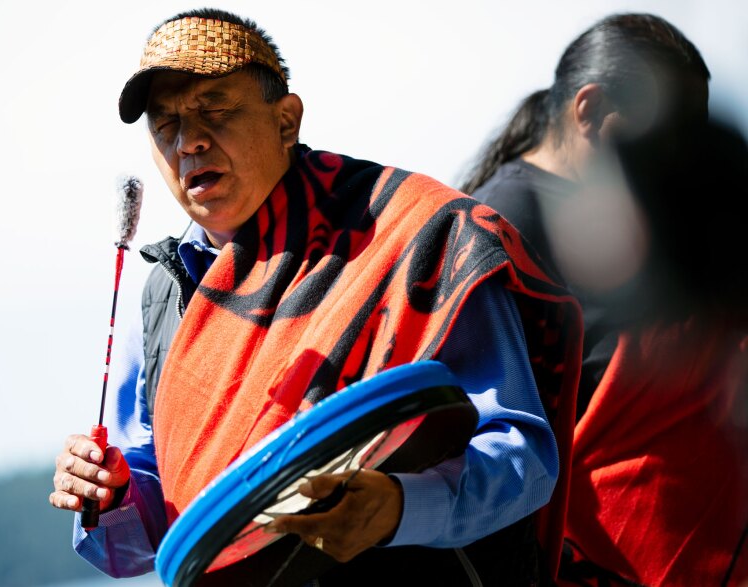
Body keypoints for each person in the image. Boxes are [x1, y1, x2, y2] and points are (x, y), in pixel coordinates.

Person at [49, 9, 581, 584]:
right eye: (164, 123)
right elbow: (154, 537)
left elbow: (522, 456)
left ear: (286, 121)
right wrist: (113, 491)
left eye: (215, 108)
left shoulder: (411, 238)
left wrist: (398, 508)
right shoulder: (166, 291)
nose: (189, 141)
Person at [463, 13, 748, 585]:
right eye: (670, 137)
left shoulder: (643, 218)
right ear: (590, 111)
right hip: (604, 561)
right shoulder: (503, 227)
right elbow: (500, 432)